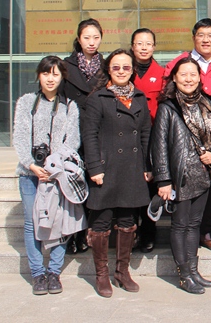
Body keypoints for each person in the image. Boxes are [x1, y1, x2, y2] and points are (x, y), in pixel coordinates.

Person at [82, 49, 152, 298]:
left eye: (126, 67)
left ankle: (122, 271)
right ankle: (102, 274)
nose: (121, 71)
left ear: (133, 71)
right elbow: (89, 135)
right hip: (106, 168)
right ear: (108, 70)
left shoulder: (140, 97)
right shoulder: (98, 98)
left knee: (127, 222)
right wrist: (94, 167)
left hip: (132, 168)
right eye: (116, 67)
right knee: (100, 224)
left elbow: (146, 134)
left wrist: (147, 166)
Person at [151, 57, 211, 295]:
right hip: (179, 175)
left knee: (194, 225)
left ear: (200, 78)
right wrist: (163, 180)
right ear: (174, 78)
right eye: (183, 74)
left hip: (202, 174)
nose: (189, 79)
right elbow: (159, 145)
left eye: (193, 74)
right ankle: (184, 275)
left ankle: (193, 271)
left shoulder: (208, 104)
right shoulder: (168, 107)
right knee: (180, 225)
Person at [13, 56, 81, 295]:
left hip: (57, 175)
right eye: (45, 73)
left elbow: (72, 141)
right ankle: (37, 273)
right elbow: (20, 136)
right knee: (32, 223)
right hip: (29, 174)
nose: (50, 79)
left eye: (55, 74)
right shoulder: (26, 102)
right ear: (38, 75)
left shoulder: (70, 106)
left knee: (59, 222)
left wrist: (53, 167)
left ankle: (54, 272)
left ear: (62, 77)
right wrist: (31, 165)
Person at [164, 18, 211, 252]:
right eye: (201, 35)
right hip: (185, 137)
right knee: (187, 189)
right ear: (193, 37)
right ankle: (186, 236)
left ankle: (208, 232)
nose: (206, 40)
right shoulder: (179, 63)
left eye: (210, 35)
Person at [61, 18, 108, 254]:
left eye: (96, 37)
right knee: (73, 183)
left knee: (94, 182)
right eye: (87, 37)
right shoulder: (65, 66)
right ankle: (73, 234)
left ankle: (91, 231)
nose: (91, 42)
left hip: (99, 132)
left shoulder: (107, 66)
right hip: (72, 133)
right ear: (79, 39)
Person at [130, 28, 165, 253]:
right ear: (132, 46)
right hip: (126, 136)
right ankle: (130, 231)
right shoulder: (123, 70)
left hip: (151, 136)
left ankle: (148, 233)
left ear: (154, 47)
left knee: (150, 185)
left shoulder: (162, 73)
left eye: (148, 43)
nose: (144, 47)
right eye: (139, 43)